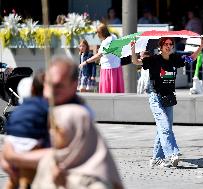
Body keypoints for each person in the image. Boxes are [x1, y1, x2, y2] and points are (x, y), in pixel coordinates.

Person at [0, 55, 91, 188]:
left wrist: (11, 155)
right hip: (40, 163)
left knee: (17, 180)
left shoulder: (21, 113)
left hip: (23, 160)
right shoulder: (55, 111)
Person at [131, 37, 203, 167]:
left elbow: (191, 59)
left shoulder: (175, 59)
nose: (169, 46)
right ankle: (172, 154)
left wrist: (200, 47)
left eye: (171, 44)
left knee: (164, 128)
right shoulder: (154, 59)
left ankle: (156, 159)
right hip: (156, 97)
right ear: (161, 46)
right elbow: (135, 61)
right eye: (166, 44)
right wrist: (133, 50)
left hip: (169, 98)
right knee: (164, 125)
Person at [31, 104, 123, 189]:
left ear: (76, 131)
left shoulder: (97, 176)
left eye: (57, 128)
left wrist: (65, 185)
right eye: (50, 128)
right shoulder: (48, 161)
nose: (52, 133)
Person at [3, 70, 47, 189]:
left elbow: (10, 133)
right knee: (25, 178)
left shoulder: (17, 113)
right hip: (32, 150)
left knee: (13, 180)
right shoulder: (43, 109)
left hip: (14, 149)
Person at [79, 23, 124, 93]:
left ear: (101, 33)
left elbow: (98, 55)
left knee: (107, 93)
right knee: (115, 92)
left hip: (108, 70)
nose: (97, 34)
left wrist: (86, 62)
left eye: (97, 32)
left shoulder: (106, 42)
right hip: (116, 68)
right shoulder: (114, 37)